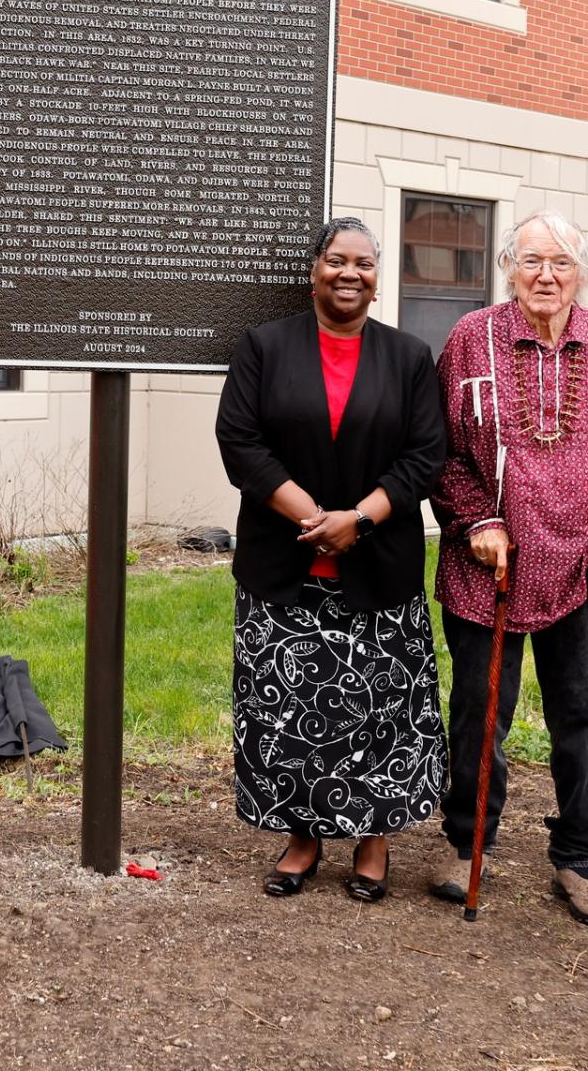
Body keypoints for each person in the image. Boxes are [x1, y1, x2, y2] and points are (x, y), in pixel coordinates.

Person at [216, 216, 447, 903]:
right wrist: (311, 518)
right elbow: (240, 440)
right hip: (283, 569)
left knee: (380, 711)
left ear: (378, 277)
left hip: (379, 570)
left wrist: (362, 518)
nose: (351, 274)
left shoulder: (409, 358)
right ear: (314, 268)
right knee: (288, 711)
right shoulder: (264, 347)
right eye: (338, 260)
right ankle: (303, 836)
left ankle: (373, 844)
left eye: (365, 264)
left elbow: (425, 456)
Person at [429, 210, 588, 927]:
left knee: (580, 719)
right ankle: (468, 844)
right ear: (508, 269)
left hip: (579, 570)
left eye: (561, 262)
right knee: (479, 715)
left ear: (581, 272)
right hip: (485, 567)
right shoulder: (467, 340)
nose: (545, 275)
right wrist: (478, 519)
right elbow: (443, 452)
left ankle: (578, 858)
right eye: (531, 261)